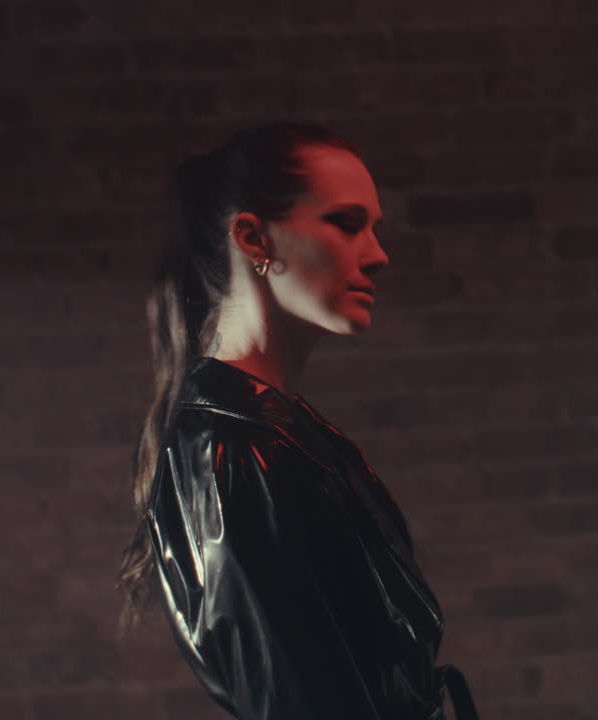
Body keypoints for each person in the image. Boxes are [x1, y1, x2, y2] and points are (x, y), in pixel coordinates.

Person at [117, 123, 478, 720]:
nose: (379, 254)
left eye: (375, 228)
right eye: (345, 223)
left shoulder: (279, 429)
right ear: (255, 239)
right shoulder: (232, 449)